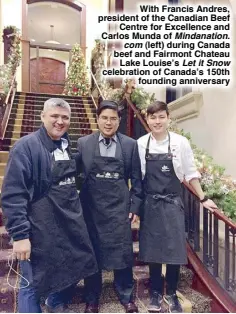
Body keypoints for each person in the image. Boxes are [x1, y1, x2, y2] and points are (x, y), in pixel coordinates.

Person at [1, 98, 98, 313]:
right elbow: (13, 195)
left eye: (65, 117)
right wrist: (20, 236)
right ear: (42, 117)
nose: (60, 121)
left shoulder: (66, 145)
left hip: (65, 224)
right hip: (38, 227)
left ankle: (54, 304)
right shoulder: (25, 147)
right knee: (32, 283)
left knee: (75, 266)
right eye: (54, 116)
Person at [137, 101, 217, 313]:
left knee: (174, 250)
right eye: (153, 117)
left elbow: (190, 173)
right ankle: (155, 292)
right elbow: (137, 178)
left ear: (168, 118)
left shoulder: (180, 143)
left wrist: (202, 197)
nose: (157, 121)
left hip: (173, 202)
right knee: (153, 250)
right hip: (150, 203)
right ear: (147, 119)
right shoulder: (141, 143)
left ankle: (171, 293)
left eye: (161, 116)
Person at [77, 100, 143, 313]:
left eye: (113, 118)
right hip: (91, 210)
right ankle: (92, 299)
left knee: (123, 253)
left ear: (119, 121)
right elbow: (77, 179)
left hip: (119, 209)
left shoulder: (130, 145)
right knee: (92, 254)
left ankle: (126, 296)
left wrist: (135, 205)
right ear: (97, 119)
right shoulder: (83, 143)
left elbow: (137, 180)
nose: (108, 122)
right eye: (104, 118)